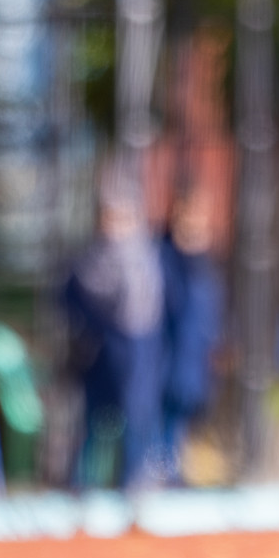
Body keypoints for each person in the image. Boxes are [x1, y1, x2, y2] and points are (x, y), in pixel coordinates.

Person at [63, 193, 164, 489]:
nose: (113, 227)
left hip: (136, 353)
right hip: (97, 353)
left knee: (138, 419)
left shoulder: (145, 260)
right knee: (95, 421)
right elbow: (68, 302)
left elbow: (152, 312)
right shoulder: (87, 262)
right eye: (108, 218)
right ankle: (84, 483)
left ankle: (135, 480)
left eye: (121, 219)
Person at [156, 196, 224, 483]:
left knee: (188, 417)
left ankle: (178, 471)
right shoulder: (164, 259)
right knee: (165, 418)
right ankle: (163, 471)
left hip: (196, 354)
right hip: (168, 353)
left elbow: (213, 309)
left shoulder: (206, 265)